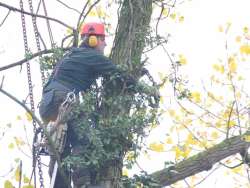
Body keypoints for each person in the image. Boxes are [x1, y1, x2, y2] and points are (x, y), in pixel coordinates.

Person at [39, 22, 134, 188]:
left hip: (47, 104)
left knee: (60, 146)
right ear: (92, 40)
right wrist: (142, 87)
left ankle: (59, 185)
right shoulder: (92, 56)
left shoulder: (71, 55)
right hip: (63, 99)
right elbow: (118, 74)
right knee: (83, 139)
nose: (105, 44)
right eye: (102, 39)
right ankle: (84, 185)